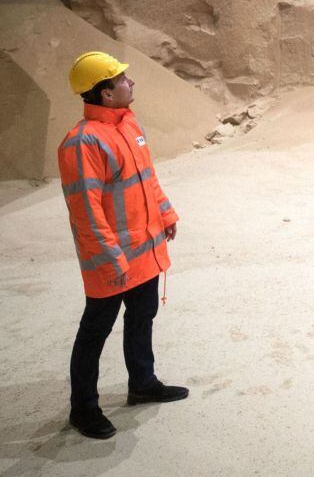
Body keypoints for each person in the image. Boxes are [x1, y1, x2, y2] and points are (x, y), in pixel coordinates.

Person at [58, 51, 189, 439]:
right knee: (95, 329)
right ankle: (83, 408)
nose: (131, 83)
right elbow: (86, 209)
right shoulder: (82, 143)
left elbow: (147, 179)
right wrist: (109, 256)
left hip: (144, 249)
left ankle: (142, 383)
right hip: (113, 258)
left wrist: (166, 213)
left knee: (143, 315)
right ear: (105, 94)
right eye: (122, 80)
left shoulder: (129, 124)